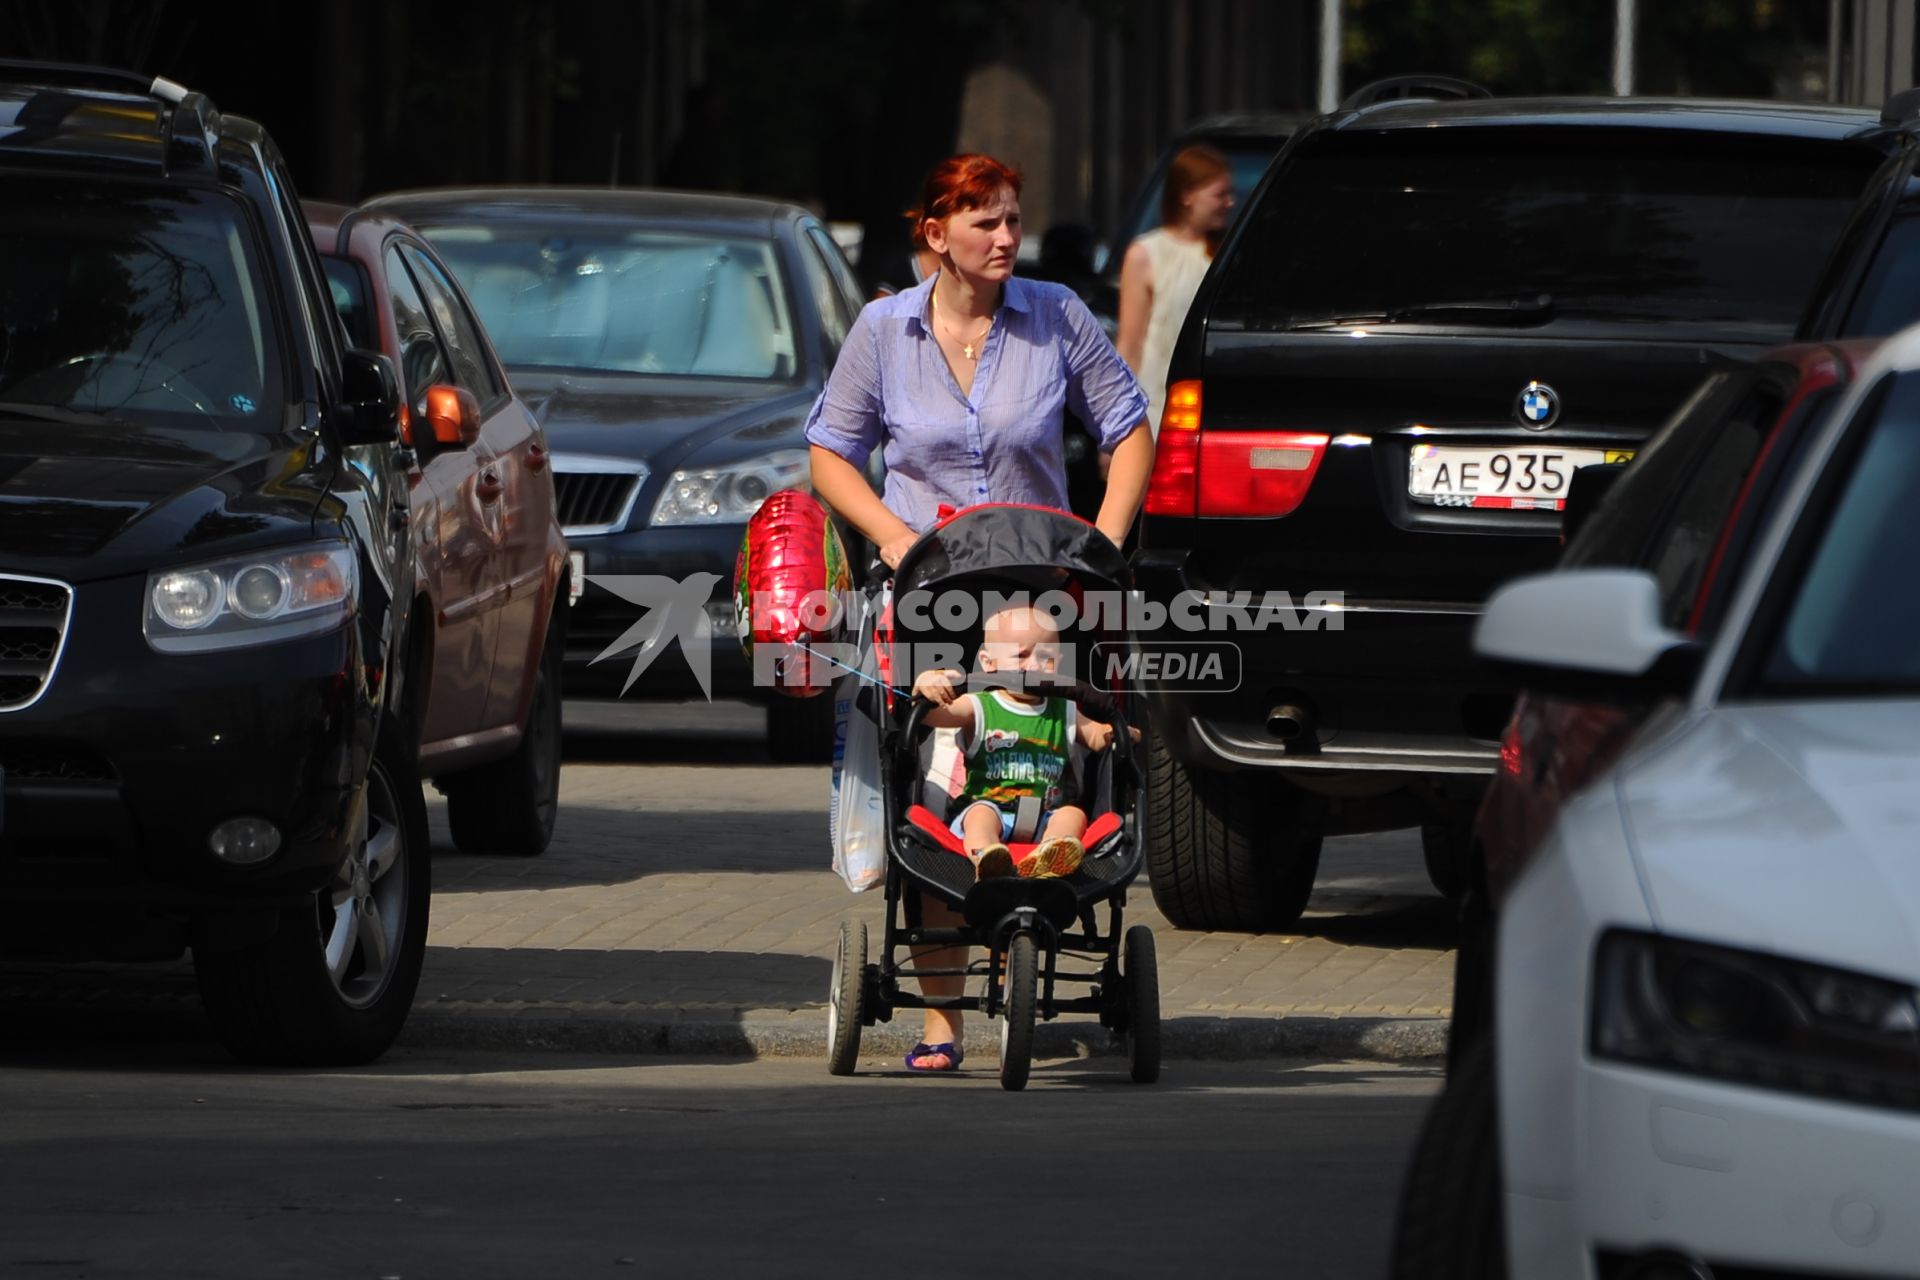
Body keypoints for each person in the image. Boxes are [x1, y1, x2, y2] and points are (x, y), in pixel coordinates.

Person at [806, 153, 1154, 1073]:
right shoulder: (884, 331)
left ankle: (1045, 889)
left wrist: (1102, 550)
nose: (1007, 239)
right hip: (928, 588)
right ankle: (942, 1021)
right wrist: (888, 537)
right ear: (935, 236)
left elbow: (1129, 429)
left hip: (1044, 594)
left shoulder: (1056, 317)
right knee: (936, 773)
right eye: (985, 224)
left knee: (1062, 749)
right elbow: (830, 455)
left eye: (1011, 220)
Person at [910, 604, 1136, 883]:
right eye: (1022, 656)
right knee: (980, 815)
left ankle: (1051, 854)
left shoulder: (1064, 709)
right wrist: (928, 682)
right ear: (988, 663)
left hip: (1045, 816)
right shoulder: (979, 706)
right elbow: (932, 716)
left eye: (1046, 657)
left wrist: (1119, 733)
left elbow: (1095, 736)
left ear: (1060, 661)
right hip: (989, 807)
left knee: (1072, 814)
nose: (1035, 666)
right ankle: (988, 857)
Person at [1116, 144, 1235, 440]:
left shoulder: (1229, 253)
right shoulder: (1145, 254)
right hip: (1158, 413)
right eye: (1219, 194)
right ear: (1187, 196)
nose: (1230, 203)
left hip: (1216, 414)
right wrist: (1118, 427)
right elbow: (1130, 344)